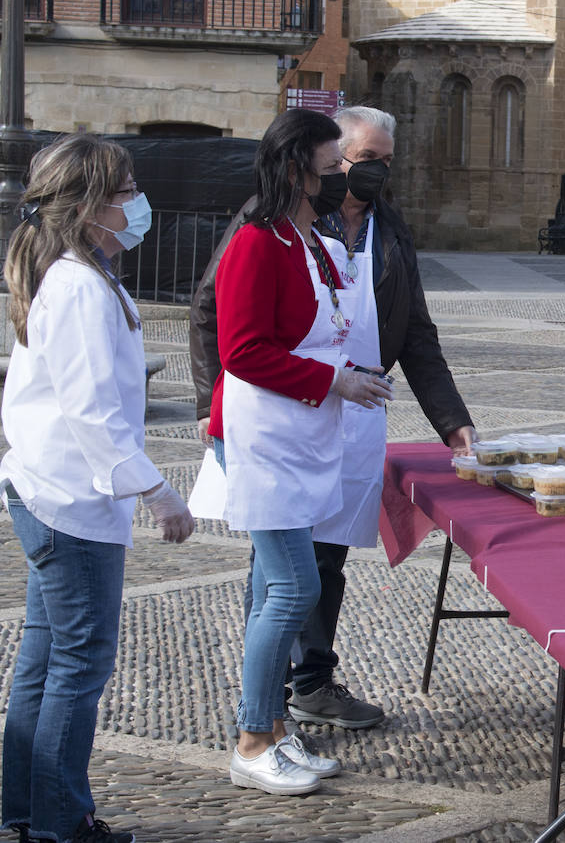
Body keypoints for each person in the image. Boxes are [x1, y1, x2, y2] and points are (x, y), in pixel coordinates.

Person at [190, 106, 475, 732]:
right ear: (324, 161)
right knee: (282, 572)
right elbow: (220, 321)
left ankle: (309, 681)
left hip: (352, 407)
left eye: (385, 163)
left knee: (325, 561)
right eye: (364, 160)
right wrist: (224, 409)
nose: (374, 174)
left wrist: (452, 420)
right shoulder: (271, 226)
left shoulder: (389, 229)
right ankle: (262, 708)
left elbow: (418, 334)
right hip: (280, 413)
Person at [0, 134, 195, 843]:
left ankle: (30, 814)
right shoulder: (79, 283)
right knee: (77, 664)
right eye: (124, 191)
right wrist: (157, 491)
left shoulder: (78, 272)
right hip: (68, 500)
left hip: (51, 491)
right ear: (87, 206)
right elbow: (91, 409)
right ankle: (60, 824)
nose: (136, 202)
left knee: (46, 660)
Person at [206, 109, 393, 795]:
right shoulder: (259, 239)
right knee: (292, 586)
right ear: (296, 167)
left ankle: (273, 728)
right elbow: (243, 349)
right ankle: (253, 738)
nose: (341, 175)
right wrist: (333, 381)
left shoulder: (306, 238)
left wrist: (354, 376)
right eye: (330, 165)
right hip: (264, 436)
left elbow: (327, 325)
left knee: (272, 590)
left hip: (301, 431)